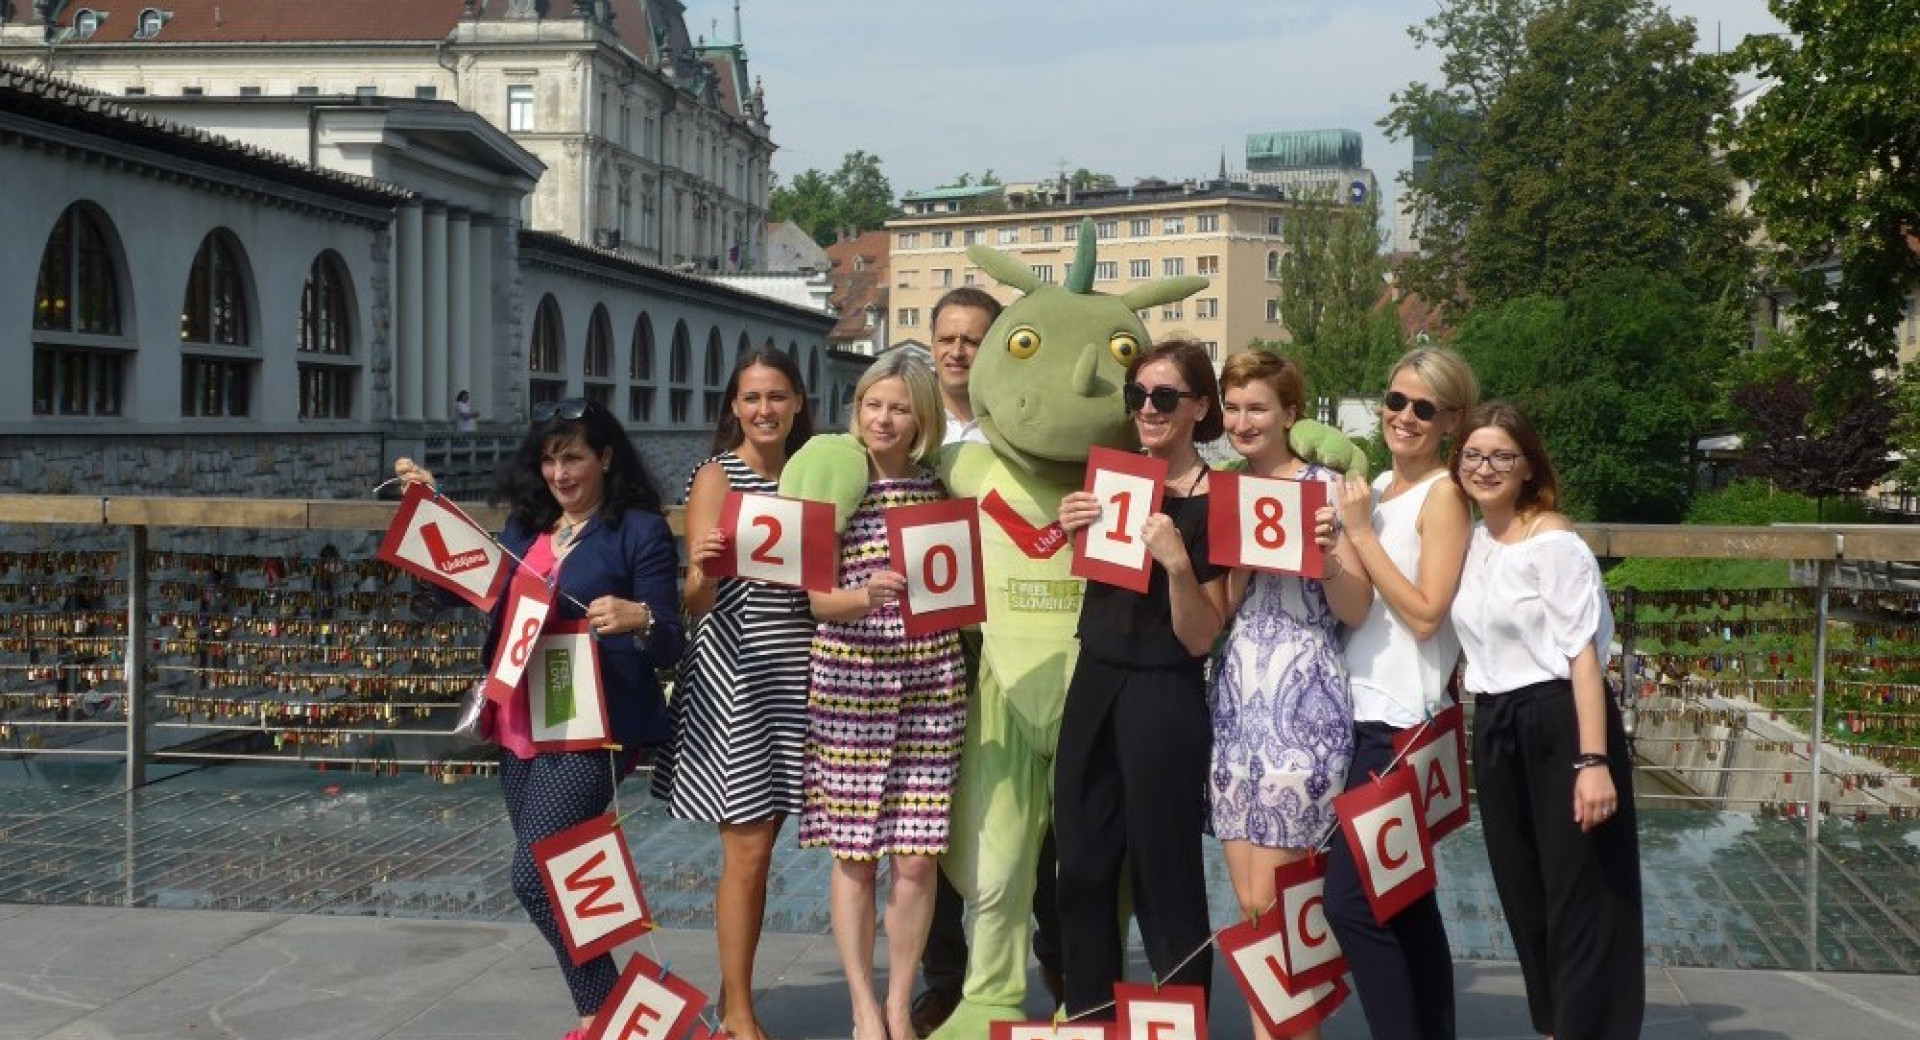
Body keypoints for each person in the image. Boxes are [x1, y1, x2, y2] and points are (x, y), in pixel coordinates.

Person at [394, 397, 684, 1040]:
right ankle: (602, 1018)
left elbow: (670, 640)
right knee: (559, 883)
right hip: (521, 718)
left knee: (535, 872)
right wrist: (427, 513)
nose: (561, 473)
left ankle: (607, 1010)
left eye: (574, 457)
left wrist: (639, 618)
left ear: (605, 458)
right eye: (550, 459)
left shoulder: (639, 529)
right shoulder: (526, 531)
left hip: (595, 724)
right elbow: (447, 592)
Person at [1448, 402, 1642, 1040]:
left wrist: (1593, 763)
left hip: (1560, 721)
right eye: (1474, 454)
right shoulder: (1478, 539)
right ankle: (1556, 1025)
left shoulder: (1553, 542)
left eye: (1502, 455)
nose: (1486, 467)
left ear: (1528, 465)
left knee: (1578, 898)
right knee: (1522, 891)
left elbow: (1582, 658)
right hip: (1499, 722)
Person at [793, 351, 967, 1040]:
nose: (883, 418)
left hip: (931, 678)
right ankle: (863, 1005)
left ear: (921, 415)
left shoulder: (937, 489)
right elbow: (814, 600)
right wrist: (864, 596)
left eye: (897, 407)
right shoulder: (838, 481)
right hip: (851, 681)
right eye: (873, 404)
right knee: (856, 855)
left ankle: (901, 1000)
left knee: (918, 856)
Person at [1053, 337, 1227, 1020]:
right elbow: (1105, 597)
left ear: (1199, 407)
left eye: (1163, 397)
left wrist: (1178, 564)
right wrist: (1074, 532)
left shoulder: (1220, 501)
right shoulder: (1114, 481)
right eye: (1137, 396)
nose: (1147, 409)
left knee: (1167, 878)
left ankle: (1183, 1022)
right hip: (1095, 681)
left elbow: (1201, 634)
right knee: (1084, 867)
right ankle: (1090, 1018)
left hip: (1164, 692)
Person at [649, 347, 814, 1040]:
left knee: (769, 844)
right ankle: (739, 1012)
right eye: (751, 398)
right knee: (745, 850)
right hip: (738, 674)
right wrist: (706, 569)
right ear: (734, 408)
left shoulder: (816, 474)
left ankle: (732, 992)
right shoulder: (718, 474)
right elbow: (695, 599)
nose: (764, 409)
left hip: (803, 670)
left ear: (799, 401)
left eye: (776, 396)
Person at [914, 286, 1066, 1036]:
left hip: (1029, 646)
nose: (957, 350)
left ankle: (1069, 971)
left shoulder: (1021, 418)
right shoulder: (916, 425)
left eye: (974, 338)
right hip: (945, 649)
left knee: (1048, 834)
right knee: (949, 832)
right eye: (946, 337)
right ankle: (951, 981)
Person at [1210, 350, 1371, 1040]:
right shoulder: (1228, 489)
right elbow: (1220, 611)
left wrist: (1332, 548)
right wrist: (1238, 561)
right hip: (1238, 705)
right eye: (1235, 407)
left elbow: (1357, 607)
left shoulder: (1327, 488)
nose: (1244, 421)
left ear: (1291, 414)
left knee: (1280, 908)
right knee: (1250, 905)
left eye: (1258, 408)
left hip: (1303, 706)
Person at [1320, 346, 1477, 1040]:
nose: (1403, 417)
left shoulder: (1443, 495)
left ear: (1451, 420)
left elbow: (1424, 613)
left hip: (1403, 723)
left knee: (1352, 904)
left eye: (1424, 408)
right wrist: (1333, 549)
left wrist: (1357, 532)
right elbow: (1359, 606)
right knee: (1406, 901)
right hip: (1362, 711)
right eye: (1395, 400)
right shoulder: (1379, 487)